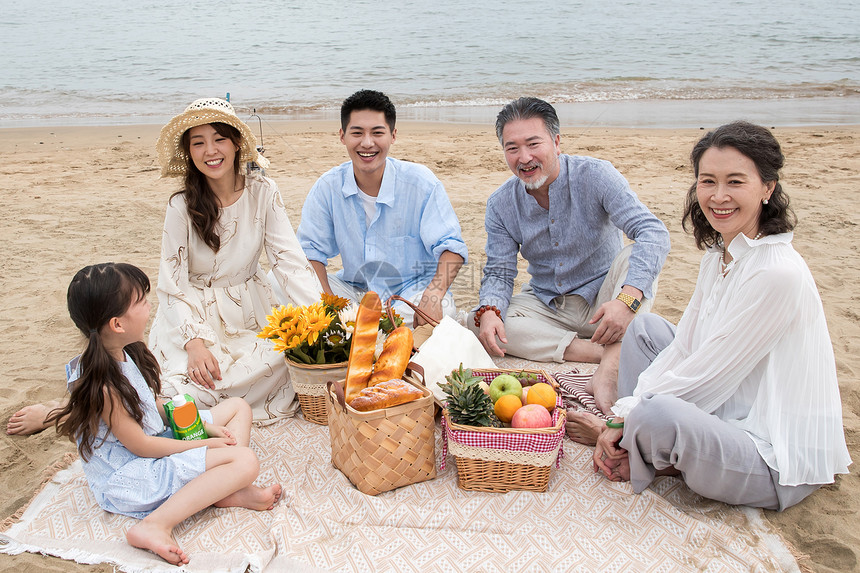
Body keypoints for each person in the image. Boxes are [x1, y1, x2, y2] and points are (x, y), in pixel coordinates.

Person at [576, 121, 851, 510]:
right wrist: (627, 414)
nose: (719, 196)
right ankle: (639, 444)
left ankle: (637, 447)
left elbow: (707, 374)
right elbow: (685, 348)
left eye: (735, 182)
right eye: (708, 182)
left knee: (657, 411)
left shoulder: (777, 273)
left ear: (768, 188)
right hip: (726, 408)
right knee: (645, 330)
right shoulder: (719, 255)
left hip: (772, 457)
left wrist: (624, 418)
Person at [46, 262, 281, 565]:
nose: (149, 305)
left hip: (156, 443)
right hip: (133, 474)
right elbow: (141, 446)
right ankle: (154, 525)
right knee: (244, 460)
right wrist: (202, 444)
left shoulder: (126, 351)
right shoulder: (105, 386)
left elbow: (152, 406)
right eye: (141, 301)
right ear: (117, 324)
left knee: (238, 407)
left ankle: (221, 489)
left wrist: (202, 427)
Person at [471, 97, 670, 412]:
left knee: (637, 258)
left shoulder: (596, 176)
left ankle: (614, 349)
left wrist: (626, 302)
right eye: (512, 148)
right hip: (550, 307)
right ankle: (605, 353)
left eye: (533, 143)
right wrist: (492, 311)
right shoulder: (500, 204)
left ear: (557, 141)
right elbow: (499, 272)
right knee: (479, 318)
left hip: (606, 302)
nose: (524, 157)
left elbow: (653, 232)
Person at [149, 97, 322, 422]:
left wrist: (320, 320)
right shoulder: (181, 206)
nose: (210, 151)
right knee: (202, 375)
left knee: (287, 361)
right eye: (198, 143)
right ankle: (174, 403)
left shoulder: (264, 192)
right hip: (194, 314)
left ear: (237, 143)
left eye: (219, 139)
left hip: (251, 309)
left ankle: (195, 408)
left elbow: (289, 262)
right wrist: (194, 344)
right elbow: (171, 286)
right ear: (189, 152)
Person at [294, 90, 468, 326]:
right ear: (342, 136)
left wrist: (434, 294)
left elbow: (452, 247)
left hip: (408, 295)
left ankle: (361, 330)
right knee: (282, 281)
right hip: (353, 292)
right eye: (357, 133)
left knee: (442, 310)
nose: (367, 143)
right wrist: (326, 304)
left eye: (377, 133)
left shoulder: (421, 183)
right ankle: (363, 328)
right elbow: (311, 252)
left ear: (393, 135)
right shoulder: (327, 186)